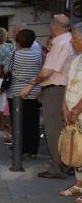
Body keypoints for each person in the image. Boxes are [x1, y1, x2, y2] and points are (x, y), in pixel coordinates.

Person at [21, 14, 74, 179]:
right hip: (57, 89)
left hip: (56, 91)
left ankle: (58, 167)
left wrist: (31, 85)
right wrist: (41, 90)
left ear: (55, 26)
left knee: (54, 130)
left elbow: (48, 71)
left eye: (51, 25)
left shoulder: (61, 44)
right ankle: (65, 163)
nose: (50, 28)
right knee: (62, 130)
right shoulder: (64, 41)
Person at [5, 29, 42, 157]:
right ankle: (32, 150)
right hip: (33, 92)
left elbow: (6, 70)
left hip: (16, 92)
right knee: (32, 121)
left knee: (18, 122)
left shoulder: (14, 54)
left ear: (18, 41)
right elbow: (40, 73)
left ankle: (19, 149)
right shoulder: (37, 55)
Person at [59, 22, 82, 203]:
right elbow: (68, 86)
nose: (72, 42)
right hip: (72, 113)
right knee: (75, 148)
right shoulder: (75, 60)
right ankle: (79, 184)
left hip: (79, 112)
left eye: (74, 39)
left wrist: (76, 109)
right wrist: (65, 107)